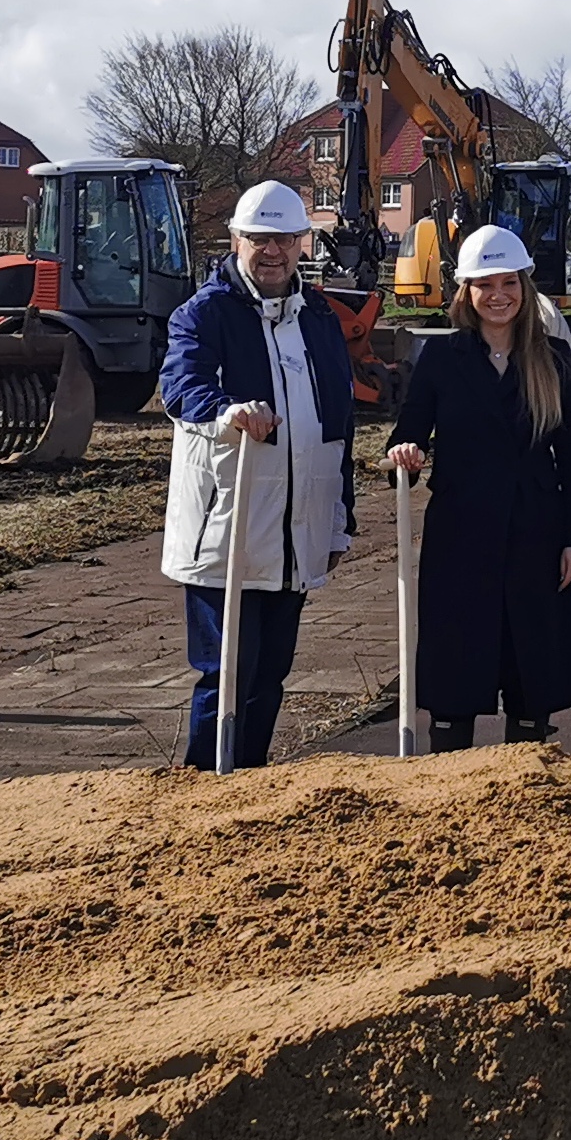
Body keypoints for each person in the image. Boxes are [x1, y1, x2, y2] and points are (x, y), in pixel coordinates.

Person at [159, 179, 357, 768]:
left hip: (296, 531)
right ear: (235, 240)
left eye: (285, 240)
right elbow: (181, 386)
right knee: (226, 673)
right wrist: (227, 412)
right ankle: (204, 785)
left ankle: (253, 781)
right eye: (258, 239)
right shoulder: (203, 313)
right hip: (228, 529)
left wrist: (338, 521)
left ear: (302, 243)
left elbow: (338, 426)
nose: (272, 252)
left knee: (271, 672)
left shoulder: (318, 316)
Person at [384, 224, 571, 751]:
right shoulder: (440, 359)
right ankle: (447, 768)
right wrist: (404, 456)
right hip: (460, 536)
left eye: (508, 283)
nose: (498, 295)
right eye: (485, 284)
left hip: (536, 534)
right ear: (467, 291)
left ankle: (528, 769)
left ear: (525, 286)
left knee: (531, 664)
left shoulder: (552, 359)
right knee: (457, 662)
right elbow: (406, 437)